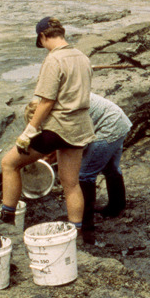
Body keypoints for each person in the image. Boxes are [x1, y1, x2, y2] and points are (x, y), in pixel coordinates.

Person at [0, 17, 94, 230]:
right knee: (71, 184)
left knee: (9, 164)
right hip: (80, 127)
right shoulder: (82, 57)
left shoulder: (53, 59)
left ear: (42, 36)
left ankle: (7, 219)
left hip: (58, 128)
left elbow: (46, 101)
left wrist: (28, 131)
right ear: (62, 32)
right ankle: (75, 230)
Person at [27, 92, 131, 243]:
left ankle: (85, 227)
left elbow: (76, 141)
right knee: (111, 168)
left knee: (84, 175)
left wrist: (56, 154)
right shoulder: (56, 100)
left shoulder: (65, 113)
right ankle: (117, 206)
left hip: (108, 126)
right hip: (119, 120)